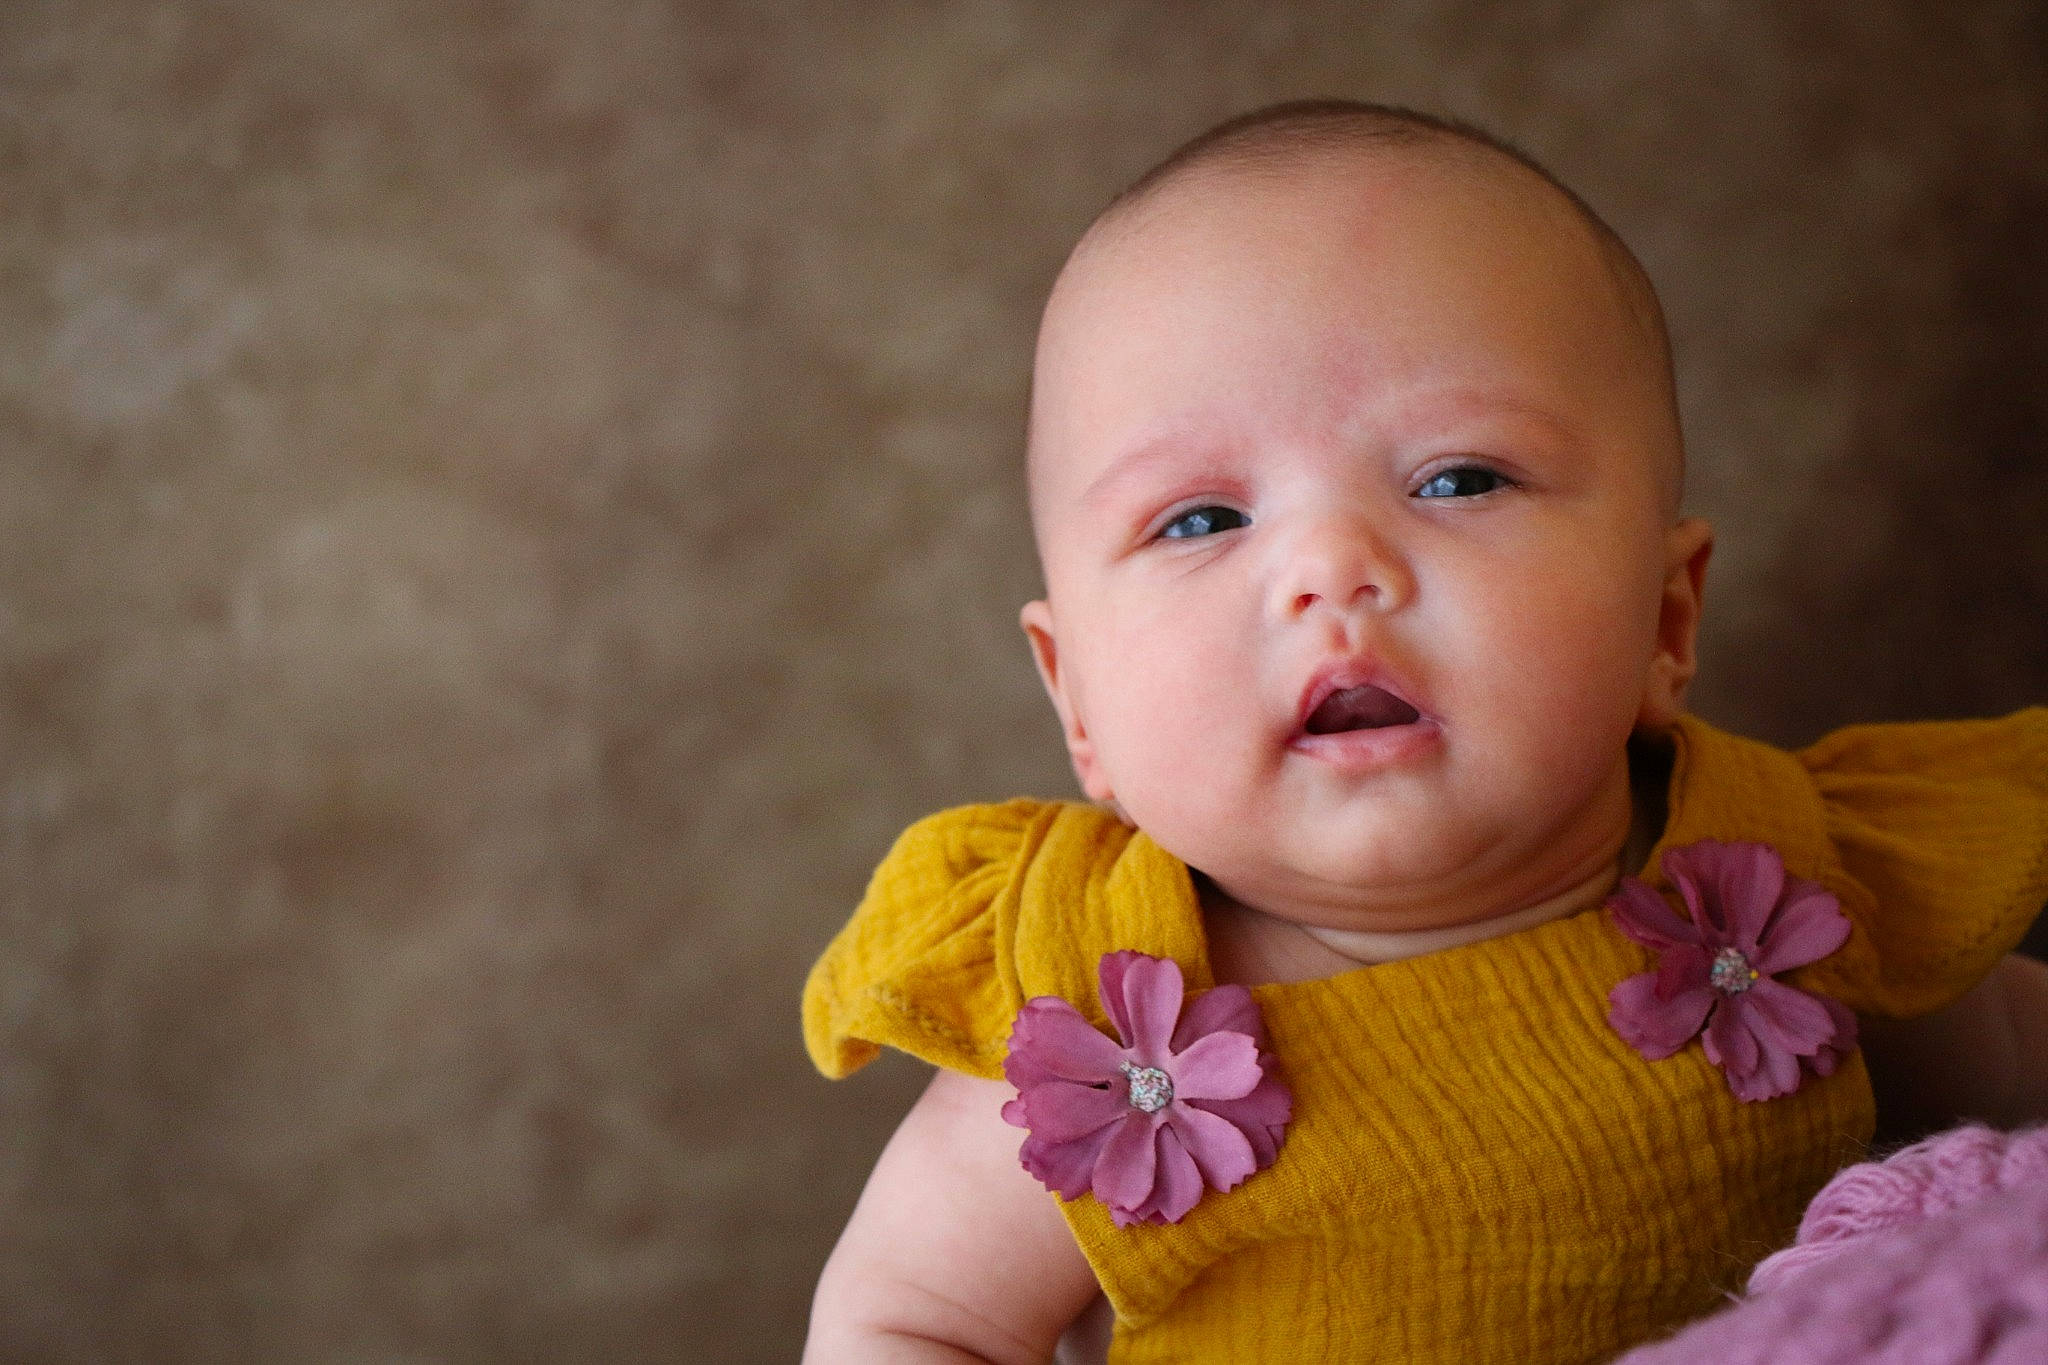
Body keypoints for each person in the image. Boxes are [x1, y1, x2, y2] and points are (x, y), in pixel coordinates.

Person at [799, 100, 2048, 1363]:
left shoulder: (1781, 896)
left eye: (1457, 479)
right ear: (1078, 705)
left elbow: (2010, 1067)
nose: (1330, 568)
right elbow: (908, 1323)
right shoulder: (1083, 1029)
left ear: (1663, 621)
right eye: (1197, 520)